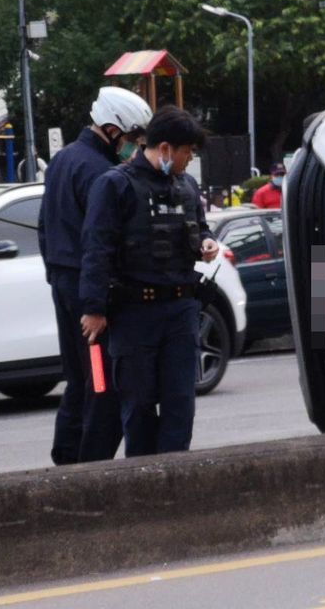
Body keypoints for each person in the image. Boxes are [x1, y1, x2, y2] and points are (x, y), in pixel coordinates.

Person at [79, 105, 219, 457]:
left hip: (181, 310)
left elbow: (200, 227)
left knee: (180, 405)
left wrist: (206, 242)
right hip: (134, 314)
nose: (190, 159)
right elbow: (97, 249)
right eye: (187, 152)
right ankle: (142, 477)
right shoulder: (115, 185)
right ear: (166, 148)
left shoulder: (186, 186)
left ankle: (174, 477)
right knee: (138, 406)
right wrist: (94, 308)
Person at [38, 86, 152, 465]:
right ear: (112, 129)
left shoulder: (62, 160)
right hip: (91, 296)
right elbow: (101, 242)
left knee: (78, 379)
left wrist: (57, 276)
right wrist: (97, 303)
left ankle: (66, 455)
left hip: (64, 285)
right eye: (133, 137)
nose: (135, 147)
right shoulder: (101, 173)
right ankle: (89, 467)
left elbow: (44, 227)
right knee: (102, 382)